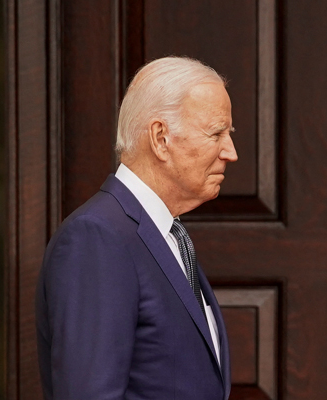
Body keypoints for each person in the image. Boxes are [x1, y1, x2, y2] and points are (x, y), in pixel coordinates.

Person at [36, 56, 237, 399]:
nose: (230, 152)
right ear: (160, 138)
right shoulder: (97, 238)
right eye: (216, 133)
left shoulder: (167, 235)